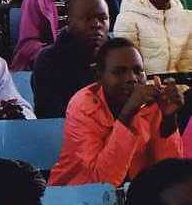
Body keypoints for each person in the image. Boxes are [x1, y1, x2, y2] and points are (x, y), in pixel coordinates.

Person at [49, 38, 184, 186]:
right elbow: (103, 182)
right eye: (119, 72)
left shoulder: (151, 104)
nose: (132, 79)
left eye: (138, 71)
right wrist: (128, 113)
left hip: (132, 196)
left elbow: (169, 176)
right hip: (77, 197)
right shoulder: (82, 107)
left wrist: (168, 119)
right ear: (98, 75)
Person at [32, 0, 110, 119]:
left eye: (103, 18)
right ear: (69, 22)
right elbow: (50, 115)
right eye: (87, 18)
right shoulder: (50, 60)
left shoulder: (118, 55)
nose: (96, 24)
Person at [113, 0, 192, 74]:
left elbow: (188, 65)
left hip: (180, 86)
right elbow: (129, 67)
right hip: (145, 86)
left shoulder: (187, 18)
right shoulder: (128, 18)